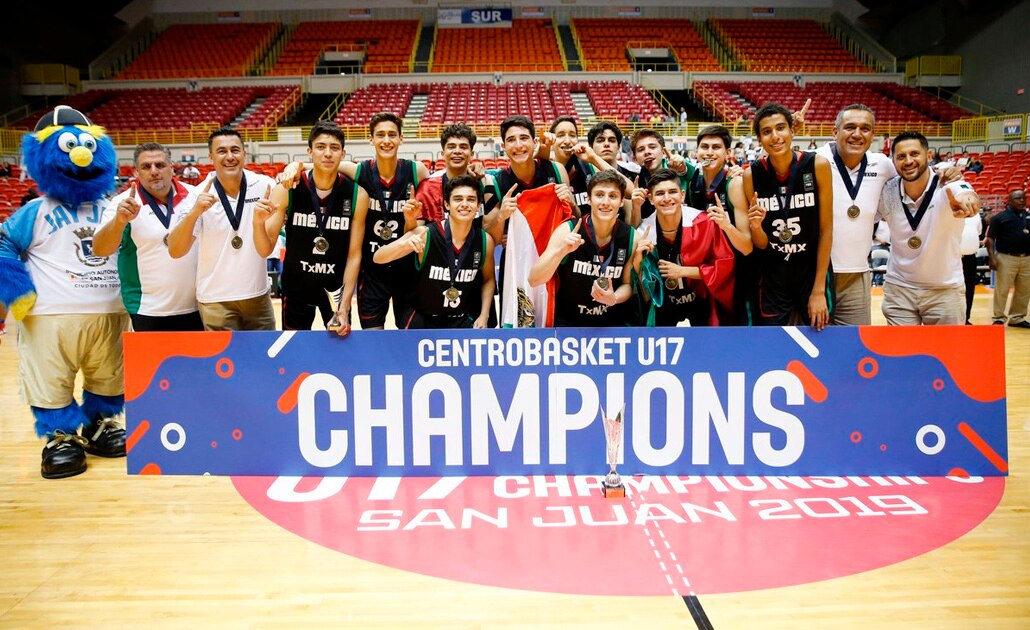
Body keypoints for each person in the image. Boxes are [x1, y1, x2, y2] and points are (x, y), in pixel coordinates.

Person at [0, 106, 127, 479]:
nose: (81, 155)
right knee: (50, 379)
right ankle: (59, 437)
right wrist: (17, 291)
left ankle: (99, 425)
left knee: (108, 376)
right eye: (70, 147)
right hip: (49, 315)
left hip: (109, 310)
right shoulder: (35, 211)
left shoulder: (115, 207)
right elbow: (3, 245)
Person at [263, 121, 369, 333]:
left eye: (334, 148)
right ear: (310, 152)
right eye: (321, 147)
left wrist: (345, 304)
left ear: (343, 154)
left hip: (335, 292)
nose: (327, 153)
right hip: (296, 288)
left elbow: (354, 255)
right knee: (294, 355)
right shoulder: (289, 187)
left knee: (338, 353)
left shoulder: (358, 195)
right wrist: (258, 222)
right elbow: (266, 244)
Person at [168, 127, 277, 331]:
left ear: (245, 154)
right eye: (222, 151)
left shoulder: (264, 185)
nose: (229, 157)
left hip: (258, 296)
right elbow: (175, 250)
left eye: (235, 150)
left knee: (263, 361)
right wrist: (194, 213)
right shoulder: (198, 195)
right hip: (215, 300)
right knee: (224, 363)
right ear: (211, 157)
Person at [740, 103, 834, 329]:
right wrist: (755, 227)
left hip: (810, 272)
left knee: (820, 337)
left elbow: (826, 229)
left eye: (781, 128)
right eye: (766, 132)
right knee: (771, 346)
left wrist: (819, 289)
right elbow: (761, 244)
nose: (775, 136)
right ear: (759, 139)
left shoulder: (817, 165)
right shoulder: (751, 175)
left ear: (793, 130)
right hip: (772, 276)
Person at [93, 142, 203, 331]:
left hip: (197, 306)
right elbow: (100, 250)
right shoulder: (123, 203)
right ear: (136, 172)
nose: (154, 171)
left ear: (172, 168)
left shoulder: (195, 197)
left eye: (160, 165)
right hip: (147, 308)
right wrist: (119, 222)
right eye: (146, 167)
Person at [875, 131, 982, 325]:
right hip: (900, 289)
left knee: (946, 354)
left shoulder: (948, 185)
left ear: (929, 156)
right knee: (901, 353)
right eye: (901, 156)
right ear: (894, 161)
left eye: (914, 154)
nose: (908, 161)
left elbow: (966, 193)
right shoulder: (886, 191)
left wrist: (969, 201)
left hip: (944, 290)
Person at [373, 174, 496, 328]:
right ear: (447, 204)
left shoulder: (485, 241)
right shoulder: (425, 234)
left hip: (459, 319)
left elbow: (488, 280)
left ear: (478, 206)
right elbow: (378, 257)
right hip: (422, 319)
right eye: (458, 199)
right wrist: (404, 245)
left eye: (471, 199)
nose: (464, 204)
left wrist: (484, 315)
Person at [814, 104, 897, 326]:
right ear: (835, 132)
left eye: (865, 128)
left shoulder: (883, 165)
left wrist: (956, 180)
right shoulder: (814, 160)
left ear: (873, 135)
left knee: (853, 349)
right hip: (817, 274)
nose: (857, 134)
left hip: (858, 274)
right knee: (812, 345)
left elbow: (919, 178)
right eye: (850, 127)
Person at [529, 170, 639, 327]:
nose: (606, 202)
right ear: (588, 199)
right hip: (568, 324)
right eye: (599, 195)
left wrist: (613, 298)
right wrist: (560, 252)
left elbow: (627, 285)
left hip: (611, 324)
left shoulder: (631, 237)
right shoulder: (568, 229)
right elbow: (534, 279)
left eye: (613, 196)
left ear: (621, 202)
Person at [636, 168, 735, 326]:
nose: (667, 198)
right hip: (663, 307)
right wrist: (637, 260)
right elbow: (642, 288)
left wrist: (684, 271)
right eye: (660, 193)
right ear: (650, 199)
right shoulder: (643, 232)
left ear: (682, 195)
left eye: (672, 192)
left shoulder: (704, 223)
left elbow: (724, 265)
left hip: (701, 302)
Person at [416, 123, 499, 242]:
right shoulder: (427, 188)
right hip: (437, 257)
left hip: (474, 256)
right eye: (451, 146)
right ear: (442, 154)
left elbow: (491, 234)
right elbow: (416, 234)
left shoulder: (485, 184)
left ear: (472, 154)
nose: (457, 151)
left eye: (463, 147)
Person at [986, 189, 1030, 328]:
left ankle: (1017, 317)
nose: (1022, 201)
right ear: (1009, 201)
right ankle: (998, 317)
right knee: (1002, 289)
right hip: (1006, 258)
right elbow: (990, 239)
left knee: (1024, 290)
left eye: (1023, 198)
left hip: (1027, 258)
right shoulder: (1000, 218)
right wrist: (992, 258)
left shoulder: (1028, 216)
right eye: (1018, 198)